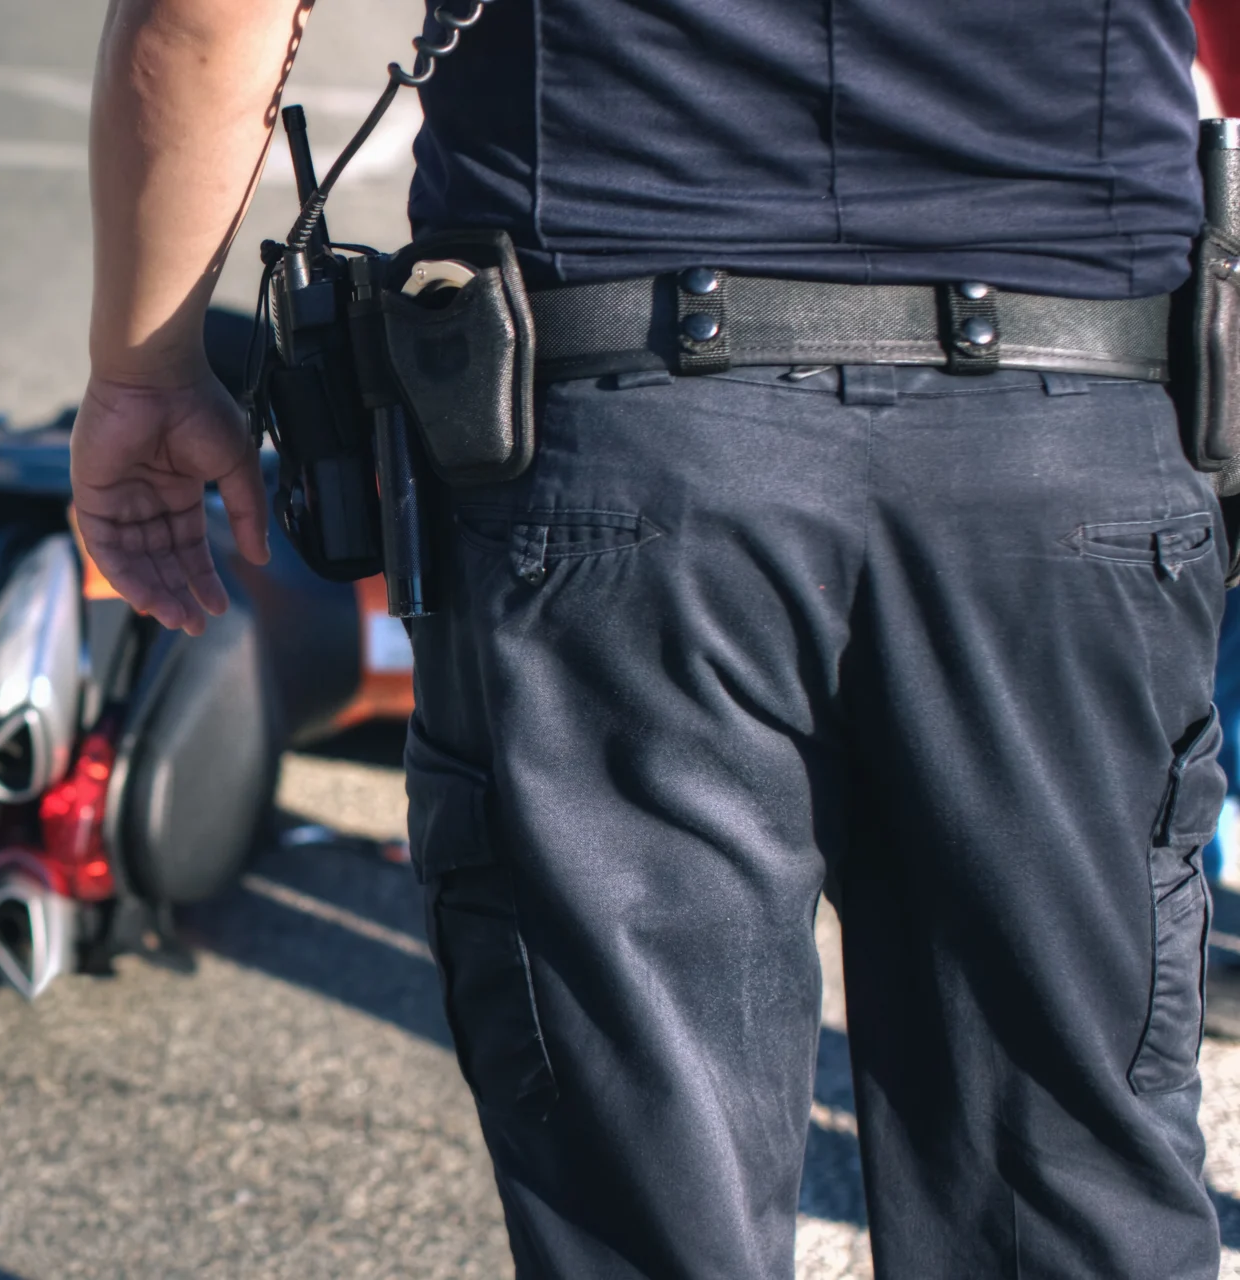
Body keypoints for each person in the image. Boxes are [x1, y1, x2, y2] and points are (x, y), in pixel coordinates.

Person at [77, 1, 1226, 1275]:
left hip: (628, 447)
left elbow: (205, 16)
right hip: (1063, 439)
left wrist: (144, 369)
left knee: (644, 1188)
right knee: (1062, 1193)